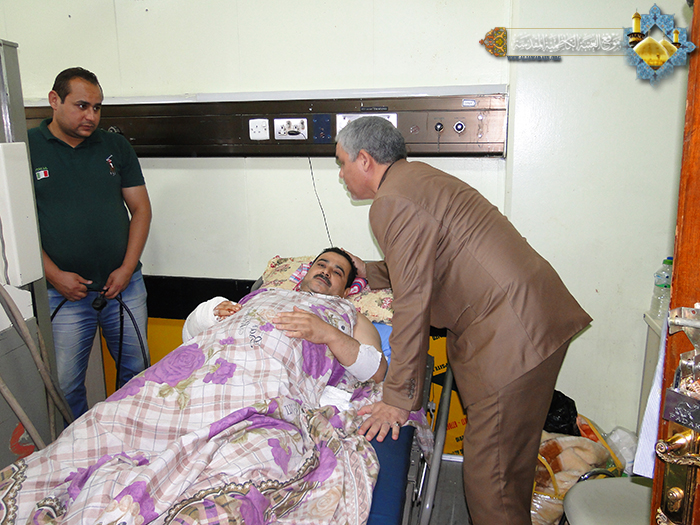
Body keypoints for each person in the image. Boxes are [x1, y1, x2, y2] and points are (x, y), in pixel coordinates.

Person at [0, 248, 398, 525]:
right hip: (197, 379)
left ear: (347, 289)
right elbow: (191, 338)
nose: (326, 271)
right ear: (305, 271)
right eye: (321, 264)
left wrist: (328, 334)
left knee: (249, 461)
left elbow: (376, 370)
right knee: (106, 421)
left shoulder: (348, 315)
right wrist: (211, 311)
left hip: (267, 387)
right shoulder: (263, 295)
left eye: (337, 272)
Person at [335, 116, 592, 525]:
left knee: (491, 481)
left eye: (342, 163)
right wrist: (368, 270)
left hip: (511, 334)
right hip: (534, 318)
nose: (341, 174)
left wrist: (398, 399)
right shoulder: (417, 180)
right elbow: (426, 262)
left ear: (364, 159)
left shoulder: (392, 201)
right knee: (510, 469)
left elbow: (413, 301)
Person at [28, 67, 152, 419]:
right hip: (62, 293)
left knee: (138, 374)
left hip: (123, 286)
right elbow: (18, 227)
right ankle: (78, 448)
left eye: (97, 108)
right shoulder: (26, 150)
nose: (91, 116)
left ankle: (130, 438)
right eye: (82, 106)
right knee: (66, 385)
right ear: (55, 100)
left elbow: (141, 209)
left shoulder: (114, 146)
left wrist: (127, 268)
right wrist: (54, 276)